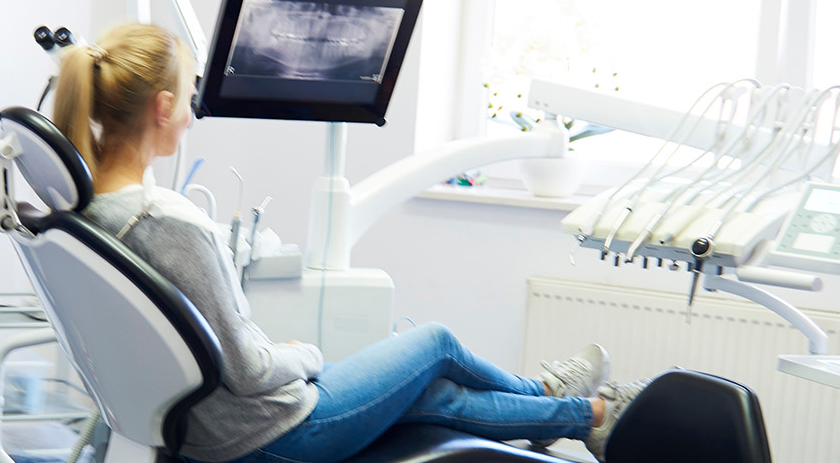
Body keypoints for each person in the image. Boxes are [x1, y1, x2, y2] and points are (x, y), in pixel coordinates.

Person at [50, 23, 653, 463]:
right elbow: (252, 367)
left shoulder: (89, 213)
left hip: (213, 428)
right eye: (186, 100)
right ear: (161, 107)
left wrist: (278, 357)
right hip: (270, 432)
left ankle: (587, 415)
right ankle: (554, 395)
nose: (190, 115)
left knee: (433, 393)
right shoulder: (169, 222)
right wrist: (305, 354)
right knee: (435, 343)